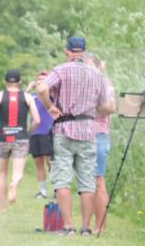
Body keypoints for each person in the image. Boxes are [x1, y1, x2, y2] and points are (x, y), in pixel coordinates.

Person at [36, 37, 113, 235]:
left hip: (64, 128)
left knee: (62, 179)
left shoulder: (61, 69)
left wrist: (50, 106)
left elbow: (42, 88)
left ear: (67, 51)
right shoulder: (97, 75)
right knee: (87, 181)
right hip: (88, 130)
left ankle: (68, 226)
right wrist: (91, 112)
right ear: (84, 52)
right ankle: (86, 228)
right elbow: (106, 105)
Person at [0, 69, 40, 212]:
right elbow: (37, 120)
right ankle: (14, 183)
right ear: (20, 82)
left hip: (3, 138)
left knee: (3, 172)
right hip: (21, 138)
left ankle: (3, 206)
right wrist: (29, 132)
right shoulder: (27, 97)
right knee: (17, 172)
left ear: (5, 82)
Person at [86, 53, 116, 234]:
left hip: (98, 135)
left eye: (90, 66)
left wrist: (87, 110)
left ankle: (100, 226)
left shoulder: (104, 83)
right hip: (82, 135)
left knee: (98, 181)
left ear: (98, 67)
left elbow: (111, 106)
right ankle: (86, 225)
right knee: (85, 183)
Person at [27, 71, 55, 198]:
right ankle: (43, 191)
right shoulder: (32, 97)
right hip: (35, 133)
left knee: (50, 163)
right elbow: (21, 101)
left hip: (47, 132)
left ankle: (56, 189)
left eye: (43, 79)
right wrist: (29, 87)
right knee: (38, 163)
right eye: (38, 79)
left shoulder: (52, 96)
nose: (40, 81)